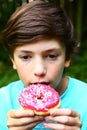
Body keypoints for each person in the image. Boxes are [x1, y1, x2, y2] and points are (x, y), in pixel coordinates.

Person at [0, 0, 87, 130]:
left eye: (51, 56)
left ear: (67, 57)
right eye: (25, 57)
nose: (39, 70)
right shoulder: (3, 102)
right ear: (13, 60)